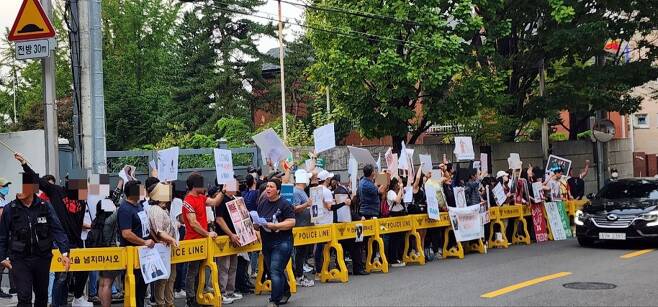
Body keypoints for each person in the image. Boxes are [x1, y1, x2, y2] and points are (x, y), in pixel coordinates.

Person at [13, 153, 91, 307]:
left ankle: (76, 298)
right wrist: (23, 163)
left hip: (76, 242)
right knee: (61, 277)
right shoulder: (56, 191)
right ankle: (57, 304)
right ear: (69, 181)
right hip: (59, 242)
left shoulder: (82, 197)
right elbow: (37, 181)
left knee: (82, 272)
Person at [0, 169, 71, 307]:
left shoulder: (45, 207)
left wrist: (65, 253)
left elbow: (57, 230)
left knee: (42, 295)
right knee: (24, 297)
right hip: (19, 259)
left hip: (42, 258)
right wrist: (2, 257)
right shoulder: (11, 208)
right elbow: (2, 235)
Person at [181, 173, 223, 307]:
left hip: (204, 240)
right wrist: (207, 233)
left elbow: (215, 202)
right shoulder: (188, 201)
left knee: (202, 270)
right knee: (192, 271)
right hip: (193, 240)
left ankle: (198, 296)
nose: (204, 186)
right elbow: (193, 223)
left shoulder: (201, 197)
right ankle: (190, 299)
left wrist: (224, 190)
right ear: (195, 185)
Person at [255, 179, 296, 307]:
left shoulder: (284, 204)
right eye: (267, 186)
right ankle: (285, 291)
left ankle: (274, 300)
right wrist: (256, 224)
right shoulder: (262, 204)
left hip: (282, 242)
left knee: (274, 270)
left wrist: (275, 225)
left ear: (278, 190)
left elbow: (291, 222)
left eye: (271, 186)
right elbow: (259, 221)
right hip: (267, 242)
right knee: (275, 270)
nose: (268, 188)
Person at [117, 180, 155, 307]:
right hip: (133, 254)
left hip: (144, 254)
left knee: (142, 288)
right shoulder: (125, 209)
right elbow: (126, 233)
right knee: (134, 288)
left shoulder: (138, 205)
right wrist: (144, 242)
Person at [147, 183, 179, 307]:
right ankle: (161, 303)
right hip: (162, 248)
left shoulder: (164, 209)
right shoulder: (156, 210)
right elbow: (159, 231)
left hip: (169, 248)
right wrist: (171, 240)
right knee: (163, 278)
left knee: (171, 277)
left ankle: (169, 303)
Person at [214, 179, 243, 305]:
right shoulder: (221, 200)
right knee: (224, 266)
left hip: (235, 237)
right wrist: (230, 234)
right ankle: (222, 292)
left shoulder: (235, 199)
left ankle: (230, 290)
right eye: (235, 184)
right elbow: (219, 219)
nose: (237, 186)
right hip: (224, 238)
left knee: (233, 265)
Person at [291, 170, 314, 287]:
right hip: (299, 227)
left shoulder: (302, 191)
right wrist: (306, 205)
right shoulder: (296, 192)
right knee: (299, 253)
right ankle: (298, 276)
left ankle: (300, 275)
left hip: (304, 226)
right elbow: (294, 208)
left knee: (302, 253)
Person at [313, 170, 335, 278]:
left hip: (318, 221)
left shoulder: (315, 190)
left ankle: (318, 270)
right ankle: (324, 269)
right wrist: (342, 203)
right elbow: (329, 207)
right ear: (327, 179)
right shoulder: (326, 191)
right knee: (326, 247)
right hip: (326, 222)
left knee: (319, 247)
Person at [385, 177, 406, 267]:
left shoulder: (398, 192)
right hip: (394, 215)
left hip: (400, 214)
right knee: (394, 238)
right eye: (398, 183)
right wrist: (401, 189)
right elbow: (397, 200)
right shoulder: (390, 193)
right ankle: (393, 259)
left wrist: (402, 191)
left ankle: (399, 257)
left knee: (400, 238)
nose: (399, 185)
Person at [0, 178, 13, 299]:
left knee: (3, 263)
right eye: (4, 186)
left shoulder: (6, 201)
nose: (6, 188)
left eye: (7, 186)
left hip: (5, 234)